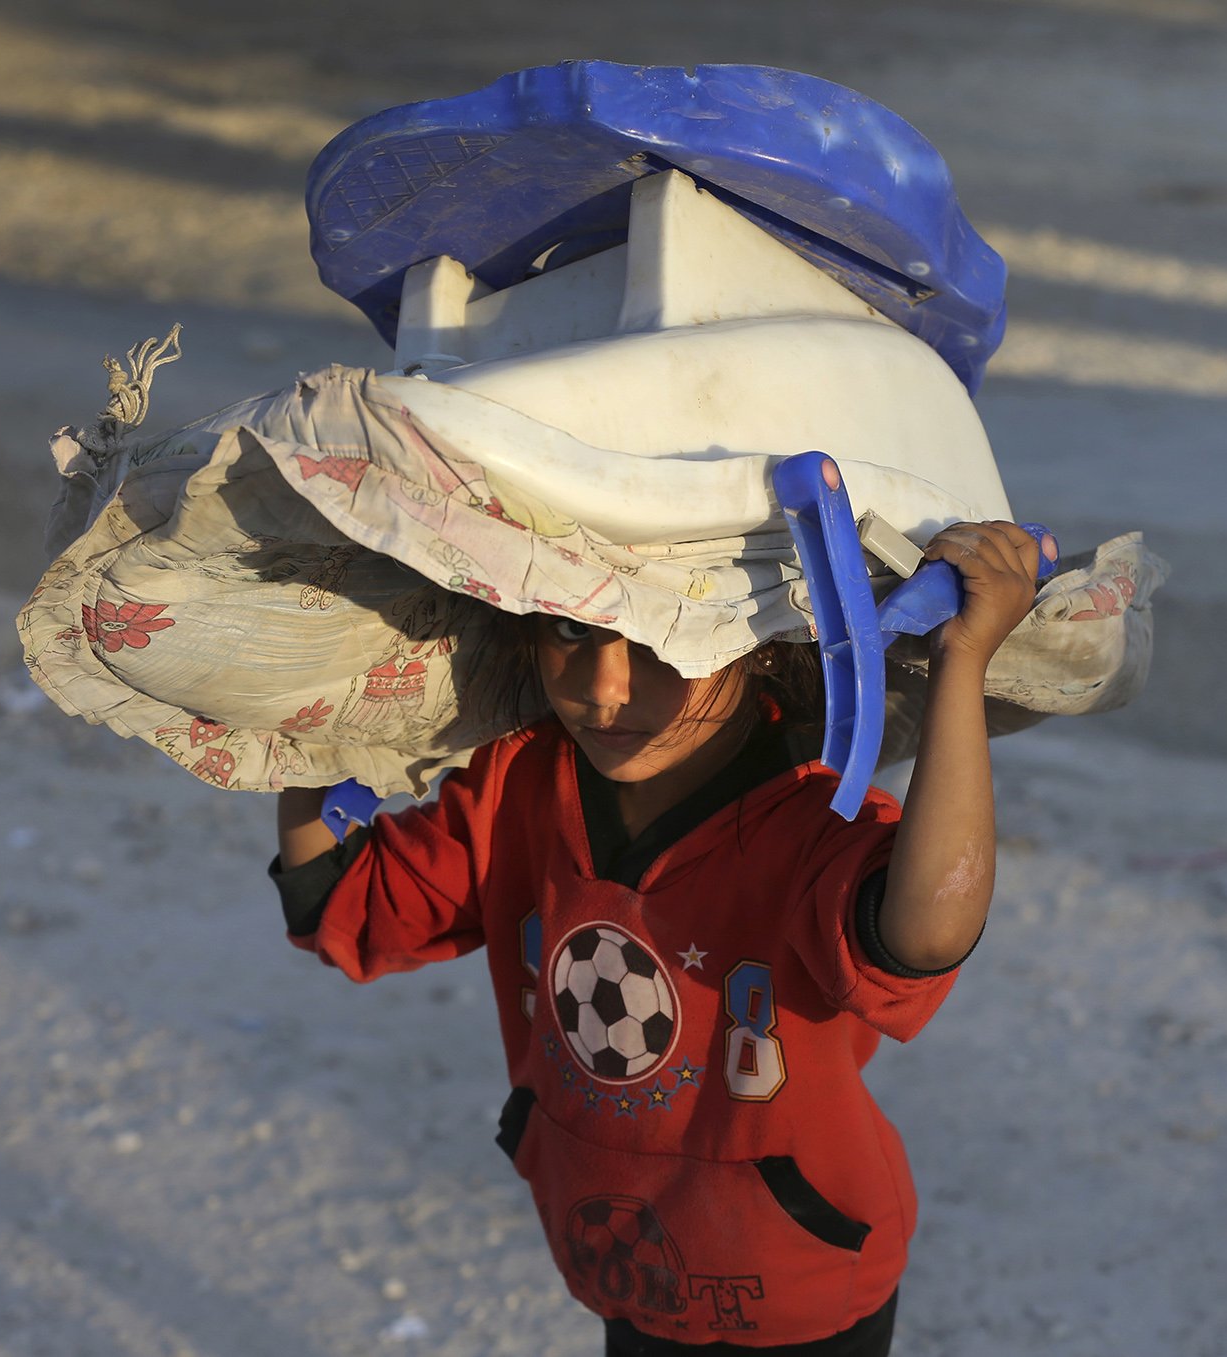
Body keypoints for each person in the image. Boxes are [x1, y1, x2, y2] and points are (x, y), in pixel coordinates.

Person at [272, 517, 1054, 1354]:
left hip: (799, 1279)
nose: (605, 687)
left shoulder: (815, 824)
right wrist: (311, 685)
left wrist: (960, 664)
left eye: (661, 639)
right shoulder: (518, 783)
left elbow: (926, 931)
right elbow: (344, 901)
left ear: (760, 644)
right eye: (573, 629)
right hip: (619, 1262)